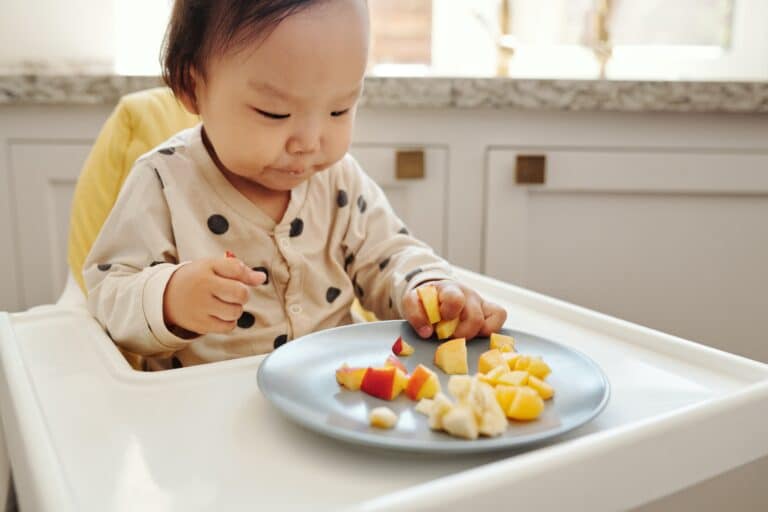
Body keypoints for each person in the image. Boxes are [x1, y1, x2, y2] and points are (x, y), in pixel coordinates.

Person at [84, 0, 507, 370]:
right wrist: (169, 298)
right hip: (205, 416)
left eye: (340, 110)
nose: (309, 143)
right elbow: (109, 291)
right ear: (192, 87)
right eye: (274, 113)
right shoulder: (163, 183)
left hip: (338, 392)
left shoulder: (338, 179)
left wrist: (427, 289)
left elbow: (390, 255)